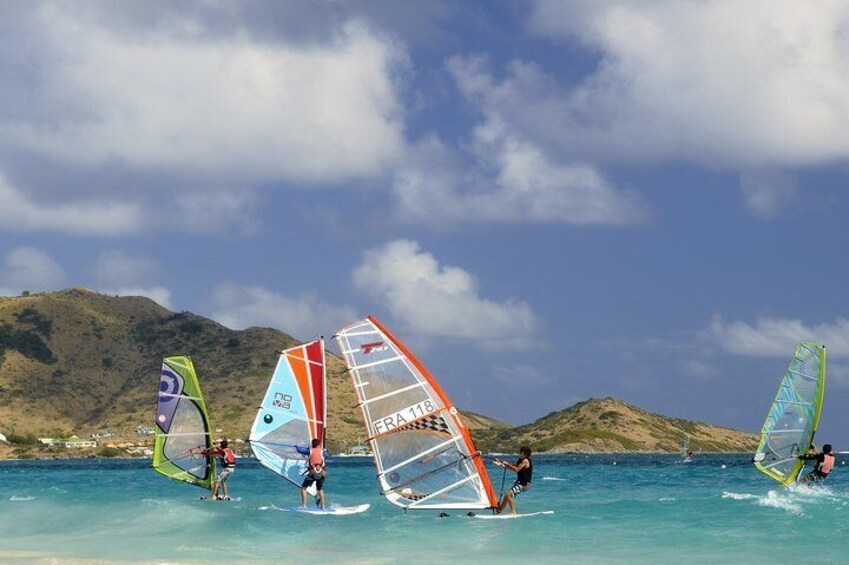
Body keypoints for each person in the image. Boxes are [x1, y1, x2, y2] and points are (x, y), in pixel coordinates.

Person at [494, 446, 533, 515]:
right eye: (520, 453)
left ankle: (513, 511)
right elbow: (513, 466)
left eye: (521, 453)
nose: (519, 454)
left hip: (524, 484)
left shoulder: (525, 460)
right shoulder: (520, 460)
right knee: (507, 496)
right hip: (519, 483)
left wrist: (507, 465)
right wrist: (502, 463)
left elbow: (516, 469)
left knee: (508, 494)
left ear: (525, 454)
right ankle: (499, 511)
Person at [301, 438, 326, 508]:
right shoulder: (322, 451)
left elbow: (300, 450)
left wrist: (297, 447)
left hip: (312, 474)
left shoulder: (310, 451)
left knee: (303, 488)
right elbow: (326, 455)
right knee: (320, 489)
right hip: (321, 473)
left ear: (312, 444)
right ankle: (323, 506)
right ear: (318, 444)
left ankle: (304, 505)